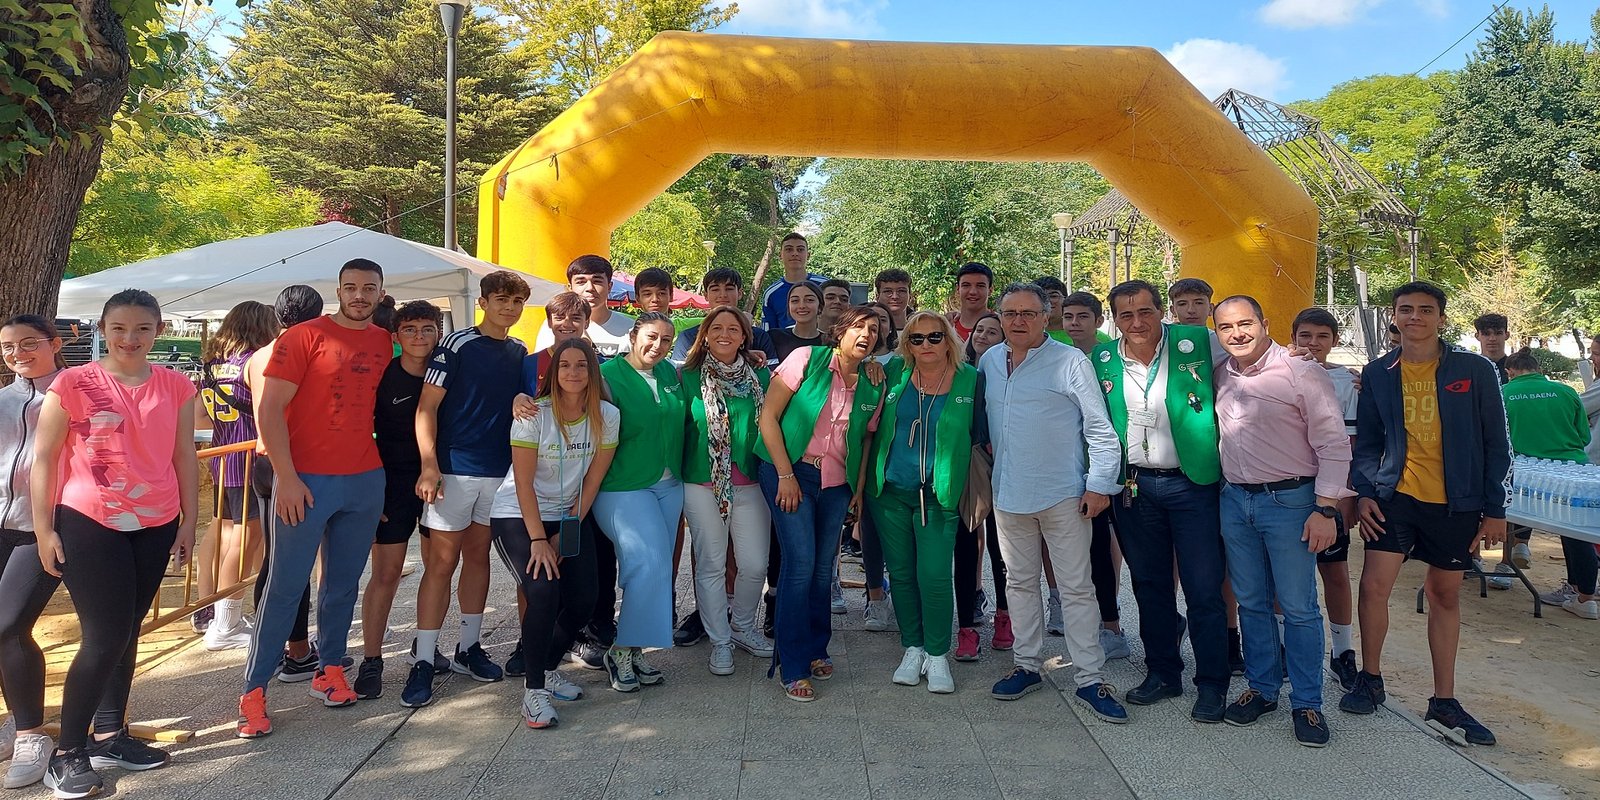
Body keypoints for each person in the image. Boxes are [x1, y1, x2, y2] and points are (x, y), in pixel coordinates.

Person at [31, 290, 195, 795]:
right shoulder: (74, 382)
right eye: (119, 328)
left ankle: (109, 733)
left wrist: (189, 521)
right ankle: (69, 751)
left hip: (157, 520)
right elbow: (45, 457)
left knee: (127, 632)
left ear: (158, 330)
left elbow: (184, 454)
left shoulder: (175, 385)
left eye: (142, 328)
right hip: (89, 518)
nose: (130, 338)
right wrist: (43, 529)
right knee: (102, 637)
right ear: (103, 328)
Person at [1341, 281, 1511, 747]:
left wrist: (1495, 510)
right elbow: (1367, 442)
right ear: (1394, 316)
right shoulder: (1379, 372)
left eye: (1425, 309)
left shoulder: (1473, 369)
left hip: (1458, 502)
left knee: (1444, 595)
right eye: (1405, 309)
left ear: (1441, 316)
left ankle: (1444, 701)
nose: (1415, 317)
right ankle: (1370, 678)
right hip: (1395, 499)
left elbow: (1498, 443)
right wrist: (1365, 491)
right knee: (1374, 586)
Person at [239, 259, 392, 738]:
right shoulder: (303, 336)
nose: (360, 295)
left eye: (369, 288)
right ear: (339, 290)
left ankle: (329, 670)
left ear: (381, 293)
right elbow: (269, 408)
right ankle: (254, 689)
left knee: (343, 585)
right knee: (285, 587)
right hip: (305, 480)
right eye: (351, 287)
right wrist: (285, 476)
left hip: (365, 479)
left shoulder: (386, 342)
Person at [980, 283, 1126, 723]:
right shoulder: (989, 360)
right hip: (1009, 493)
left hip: (1064, 493)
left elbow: (1100, 429)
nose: (1018, 321)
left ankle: (1089, 677)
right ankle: (1026, 665)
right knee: (1019, 583)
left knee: (1077, 588)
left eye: (1028, 313)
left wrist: (1099, 485)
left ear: (1048, 318)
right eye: (1009, 313)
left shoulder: (1070, 362)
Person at [1213, 295, 1350, 748]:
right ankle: (1262, 688)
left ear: (1265, 323)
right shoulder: (1220, 374)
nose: (1237, 333)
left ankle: (1308, 702)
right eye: (1227, 326)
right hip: (1236, 501)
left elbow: (1333, 443)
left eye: (1246, 323)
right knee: (1251, 601)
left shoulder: (1301, 371)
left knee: (1298, 607)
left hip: (1292, 501)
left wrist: (1326, 508)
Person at [1091, 280, 1230, 721]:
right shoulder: (1105, 357)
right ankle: (1163, 673)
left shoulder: (1199, 342)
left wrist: (1300, 358)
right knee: (1149, 585)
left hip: (1193, 484)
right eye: (1126, 314)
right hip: (1135, 488)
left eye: (1145, 312)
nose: (1137, 322)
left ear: (1161, 311)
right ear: (1115, 318)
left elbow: (1254, 360)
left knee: (1204, 588)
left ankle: (1212, 683)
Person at [406, 272, 529, 707]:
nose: (509, 307)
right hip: (453, 472)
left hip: (498, 474)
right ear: (483, 301)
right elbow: (426, 407)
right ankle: (422, 659)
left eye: (517, 301)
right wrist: (429, 465)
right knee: (441, 564)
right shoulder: (456, 345)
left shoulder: (519, 351)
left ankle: (469, 647)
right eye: (501, 299)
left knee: (478, 559)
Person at [757, 307, 885, 702]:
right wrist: (785, 475)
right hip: (788, 469)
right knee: (799, 565)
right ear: (841, 331)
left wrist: (858, 490)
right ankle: (791, 665)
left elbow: (864, 440)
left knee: (821, 569)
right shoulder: (806, 359)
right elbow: (768, 418)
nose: (867, 334)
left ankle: (816, 649)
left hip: (837, 483)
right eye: (859, 327)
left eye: (875, 330)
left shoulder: (874, 381)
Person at [490, 337, 618, 729]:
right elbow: (524, 485)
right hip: (518, 515)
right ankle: (533, 692)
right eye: (565, 366)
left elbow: (592, 481)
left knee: (584, 600)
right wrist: (539, 541)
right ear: (554, 373)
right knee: (543, 591)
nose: (574, 373)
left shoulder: (607, 416)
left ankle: (546, 669)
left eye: (582, 365)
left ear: (592, 371)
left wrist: (567, 530)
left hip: (567, 516)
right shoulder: (532, 415)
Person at [866, 312, 985, 694]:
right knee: (900, 575)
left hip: (940, 496)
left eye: (934, 337)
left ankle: (937, 654)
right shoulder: (893, 373)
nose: (925, 345)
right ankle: (912, 647)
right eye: (916, 339)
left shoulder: (971, 379)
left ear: (948, 339)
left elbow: (984, 434)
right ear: (905, 344)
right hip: (891, 494)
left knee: (933, 576)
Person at [354, 301, 442, 700]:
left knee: (437, 568)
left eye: (427, 328)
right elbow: (360, 433)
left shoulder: (446, 371)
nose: (420, 337)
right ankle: (372, 659)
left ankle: (424, 648)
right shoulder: (383, 377)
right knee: (386, 573)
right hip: (391, 482)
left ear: (438, 331)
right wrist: (372, 490)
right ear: (396, 336)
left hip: (439, 479)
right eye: (411, 330)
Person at [680, 307, 775, 675]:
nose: (724, 334)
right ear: (704, 334)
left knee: (754, 564)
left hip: (751, 480)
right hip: (702, 482)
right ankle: (719, 641)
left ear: (744, 336)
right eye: (716, 328)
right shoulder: (686, 376)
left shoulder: (760, 374)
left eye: (733, 329)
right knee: (711, 564)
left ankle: (744, 628)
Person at [593, 312, 685, 692]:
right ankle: (621, 649)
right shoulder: (606, 377)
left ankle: (634, 651)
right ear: (633, 336)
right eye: (651, 336)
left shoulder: (670, 374)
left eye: (666, 340)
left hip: (669, 483)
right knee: (649, 563)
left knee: (655, 570)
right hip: (622, 485)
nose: (657, 346)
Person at [244, 285, 324, 681]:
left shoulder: (256, 355)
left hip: (262, 462)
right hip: (290, 465)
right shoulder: (305, 352)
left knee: (275, 563)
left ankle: (274, 647)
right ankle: (294, 650)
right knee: (291, 565)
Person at [0, 315, 65, 789]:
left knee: (7, 624)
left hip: (44, 526)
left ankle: (31, 734)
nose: (18, 353)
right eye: (7, 347)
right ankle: (18, 716)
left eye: (29, 343)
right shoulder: (4, 399)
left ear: (55, 344)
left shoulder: (76, 392)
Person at [195, 301, 277, 651]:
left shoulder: (212, 365)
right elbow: (267, 413)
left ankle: (212, 612)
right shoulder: (254, 362)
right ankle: (226, 622)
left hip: (223, 458)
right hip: (250, 460)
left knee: (226, 533)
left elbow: (200, 416)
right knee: (246, 539)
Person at [1289, 307, 1361, 689]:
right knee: (1285, 575)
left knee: (1334, 570)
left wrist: (1345, 494)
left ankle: (1342, 650)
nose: (1313, 344)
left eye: (1321, 336)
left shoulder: (1346, 382)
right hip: (1286, 490)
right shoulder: (1278, 371)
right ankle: (1287, 648)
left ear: (1334, 341)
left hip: (1329, 494)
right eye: (1305, 336)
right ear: (1292, 337)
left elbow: (1349, 442)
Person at [1500, 348, 1597, 619]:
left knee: (1513, 513)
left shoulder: (1504, 395)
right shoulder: (1566, 392)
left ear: (1510, 372)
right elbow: (1583, 435)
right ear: (1538, 370)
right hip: (1575, 469)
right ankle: (1585, 596)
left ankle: (1515, 553)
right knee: (1578, 532)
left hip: (1528, 473)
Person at [1059, 291, 1128, 659]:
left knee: (1135, 549)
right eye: (1068, 316)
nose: (1074, 323)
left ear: (1099, 321)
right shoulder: (1058, 357)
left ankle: (1155, 624)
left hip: (1123, 464)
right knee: (1096, 548)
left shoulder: (1111, 358)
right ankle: (1109, 625)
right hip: (1082, 470)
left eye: (1082, 316)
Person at [955, 312, 1012, 660]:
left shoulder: (1005, 370)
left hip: (1004, 465)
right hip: (968, 467)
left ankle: (1005, 617)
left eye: (993, 331)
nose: (984, 335)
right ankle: (966, 628)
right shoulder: (958, 372)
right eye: (980, 329)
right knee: (964, 545)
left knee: (1001, 548)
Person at [534, 255, 634, 357]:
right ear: (570, 288)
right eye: (581, 282)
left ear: (609, 286)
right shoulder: (555, 325)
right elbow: (541, 365)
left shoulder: (631, 328)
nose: (590, 288)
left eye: (597, 281)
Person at [671, 269, 776, 365]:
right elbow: (679, 377)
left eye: (729, 289)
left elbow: (773, 378)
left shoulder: (759, 337)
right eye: (715, 289)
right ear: (706, 295)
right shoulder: (687, 337)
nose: (723, 295)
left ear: (739, 293)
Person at [761, 233, 829, 331]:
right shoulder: (771, 293)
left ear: (808, 255)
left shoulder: (825, 285)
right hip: (786, 345)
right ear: (780, 255)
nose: (795, 253)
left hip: (822, 344)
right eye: (789, 249)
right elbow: (768, 331)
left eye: (800, 249)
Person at [768, 281, 825, 362]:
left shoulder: (829, 342)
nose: (801, 306)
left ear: (820, 306)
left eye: (809, 300)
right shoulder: (773, 337)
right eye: (795, 301)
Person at [947, 262, 994, 341]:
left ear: (990, 290)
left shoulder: (1002, 326)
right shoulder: (946, 328)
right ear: (958, 289)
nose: (973, 292)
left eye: (980, 286)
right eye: (966, 285)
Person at [1473, 313, 1510, 385]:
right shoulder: (1471, 369)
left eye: (1498, 333)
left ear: (1507, 335)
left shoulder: (1516, 369)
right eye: (1486, 334)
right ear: (1477, 336)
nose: (1492, 339)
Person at [874, 269, 913, 335]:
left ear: (910, 296)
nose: (895, 297)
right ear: (877, 296)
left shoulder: (921, 329)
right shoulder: (869, 331)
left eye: (901, 291)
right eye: (888, 291)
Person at [1036, 276, 1071, 344]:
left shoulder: (1086, 335)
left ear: (1065, 300)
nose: (1048, 302)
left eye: (1053, 296)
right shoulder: (1025, 336)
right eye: (1041, 297)